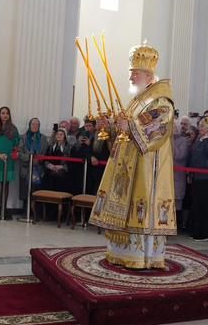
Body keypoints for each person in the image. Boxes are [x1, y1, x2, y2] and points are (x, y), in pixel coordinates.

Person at [88, 43, 176, 269]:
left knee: (141, 207)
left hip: (146, 169)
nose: (130, 77)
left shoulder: (160, 99)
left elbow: (159, 125)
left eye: (134, 73)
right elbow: (124, 130)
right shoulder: (138, 99)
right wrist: (109, 126)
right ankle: (121, 254)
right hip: (129, 167)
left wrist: (132, 125)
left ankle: (143, 257)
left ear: (147, 75)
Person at [17, 118, 49, 207]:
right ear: (30, 125)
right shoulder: (23, 137)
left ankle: (36, 213)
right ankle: (25, 211)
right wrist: (30, 158)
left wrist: (37, 159)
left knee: (37, 192)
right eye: (33, 124)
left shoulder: (43, 138)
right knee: (25, 192)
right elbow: (19, 152)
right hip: (25, 168)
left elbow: (45, 152)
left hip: (38, 169)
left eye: (37, 124)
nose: (35, 126)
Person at [43, 128, 74, 198]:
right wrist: (49, 165)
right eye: (57, 134)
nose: (59, 136)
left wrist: (61, 167)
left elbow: (72, 163)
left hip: (63, 176)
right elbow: (45, 159)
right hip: (50, 174)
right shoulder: (51, 146)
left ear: (65, 136)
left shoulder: (70, 148)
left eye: (61, 134)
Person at [172, 119, 189, 229]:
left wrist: (171, 141)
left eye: (173, 127)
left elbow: (179, 156)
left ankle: (177, 226)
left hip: (177, 176)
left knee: (176, 202)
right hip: (166, 175)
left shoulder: (183, 141)